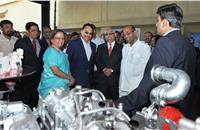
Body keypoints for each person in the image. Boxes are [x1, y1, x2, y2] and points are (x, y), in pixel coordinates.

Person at [116, 3, 196, 119]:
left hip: (166, 110)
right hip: (183, 109)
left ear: (165, 23)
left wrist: (120, 104)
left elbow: (149, 85)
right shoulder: (188, 45)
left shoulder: (165, 42)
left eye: (157, 20)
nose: (156, 24)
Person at [13, 22, 45, 109]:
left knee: (36, 96)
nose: (36, 33)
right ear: (27, 32)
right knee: (25, 97)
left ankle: (36, 114)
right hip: (26, 75)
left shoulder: (42, 43)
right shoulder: (21, 42)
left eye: (37, 31)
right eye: (33, 30)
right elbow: (17, 59)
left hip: (39, 74)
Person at [38, 30, 75, 98]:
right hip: (52, 89)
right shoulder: (51, 52)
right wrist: (70, 78)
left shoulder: (60, 52)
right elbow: (55, 71)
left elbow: (65, 68)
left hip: (62, 86)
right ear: (52, 40)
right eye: (58, 38)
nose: (61, 41)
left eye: (62, 38)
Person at [119, 25, 151, 97]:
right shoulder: (125, 47)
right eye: (124, 35)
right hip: (123, 86)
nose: (126, 36)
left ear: (135, 33)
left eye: (128, 33)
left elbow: (147, 69)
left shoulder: (144, 48)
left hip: (135, 87)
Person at [95, 27, 123, 100]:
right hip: (102, 80)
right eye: (106, 34)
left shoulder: (121, 47)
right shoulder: (100, 47)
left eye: (110, 34)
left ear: (114, 35)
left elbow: (122, 62)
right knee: (102, 102)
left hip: (115, 80)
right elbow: (97, 60)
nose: (108, 36)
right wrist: (104, 69)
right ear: (104, 36)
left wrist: (112, 70)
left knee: (114, 102)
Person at [66, 23, 96, 88]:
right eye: (86, 32)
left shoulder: (93, 46)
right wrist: (69, 78)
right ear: (81, 32)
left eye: (90, 33)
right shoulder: (73, 44)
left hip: (89, 81)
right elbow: (67, 62)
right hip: (76, 81)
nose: (88, 35)